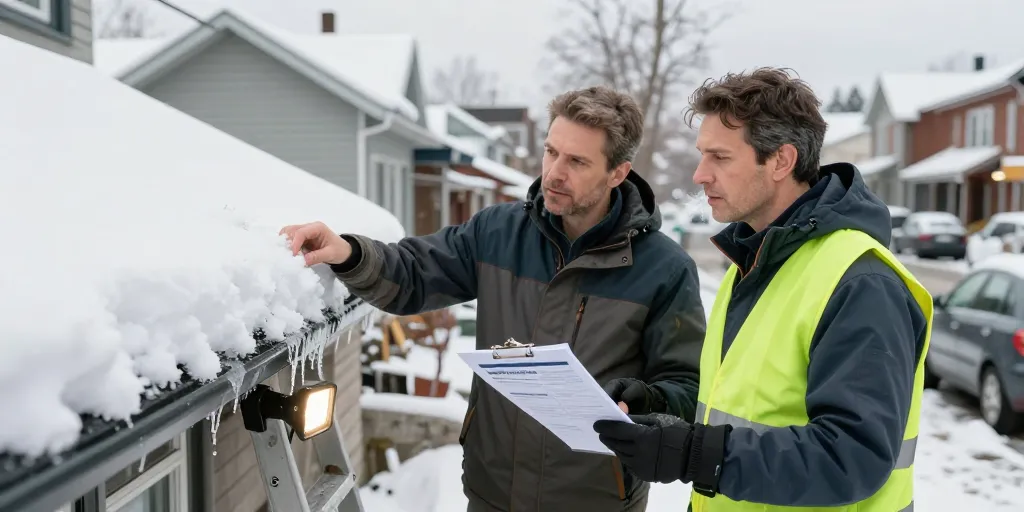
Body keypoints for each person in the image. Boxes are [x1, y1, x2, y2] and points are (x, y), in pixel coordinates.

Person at [280, 85, 708, 512]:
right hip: (493, 493)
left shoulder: (664, 270)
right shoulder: (498, 233)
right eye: (551, 151)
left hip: (596, 499)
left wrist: (634, 399)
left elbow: (687, 388)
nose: (555, 172)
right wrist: (349, 252)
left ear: (618, 173)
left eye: (576, 161)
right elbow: (412, 273)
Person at [592, 68, 932, 511]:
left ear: (781, 161)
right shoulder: (753, 259)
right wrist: (660, 407)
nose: (700, 175)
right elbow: (747, 404)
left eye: (720, 157)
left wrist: (694, 454)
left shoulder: (860, 282)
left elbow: (853, 456)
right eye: (702, 155)